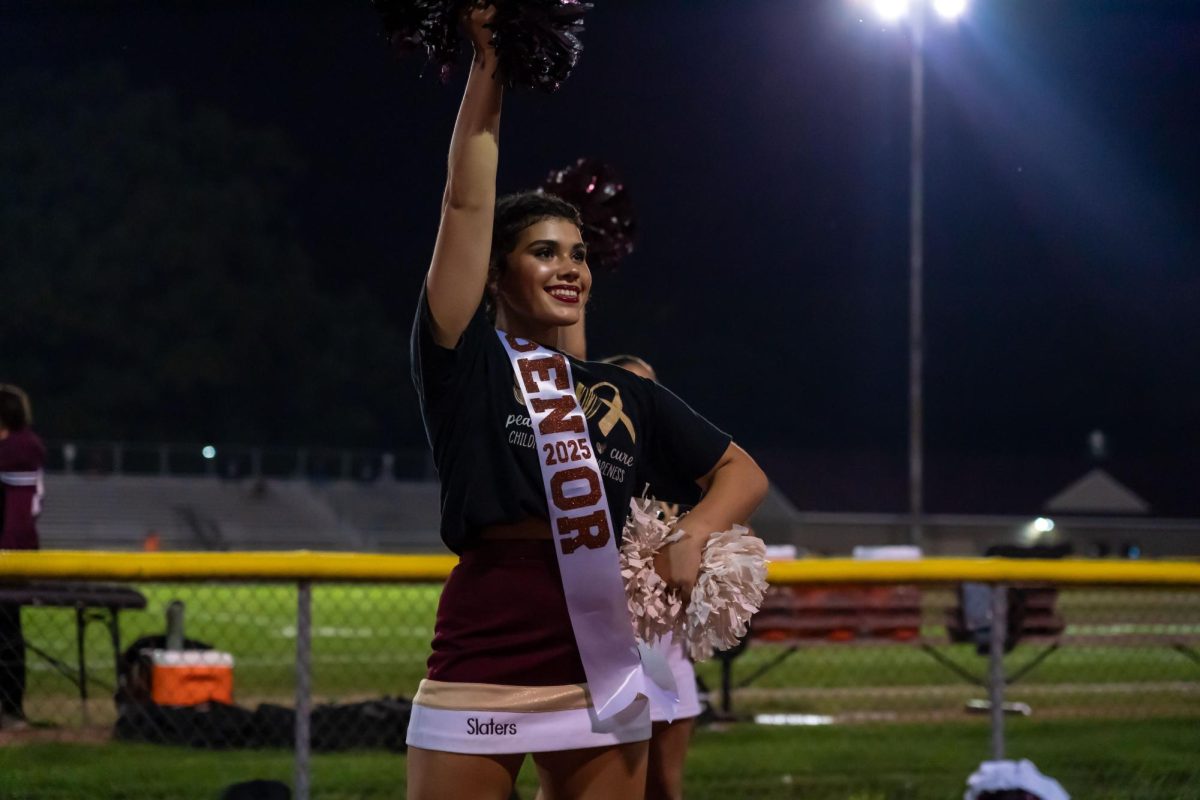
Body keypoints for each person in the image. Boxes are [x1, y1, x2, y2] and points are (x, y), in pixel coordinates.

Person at [405, 7, 769, 799]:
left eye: (578, 255)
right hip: (484, 656)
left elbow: (741, 471)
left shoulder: (625, 390)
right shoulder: (465, 364)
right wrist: (491, 63)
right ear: (497, 277)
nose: (569, 268)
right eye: (543, 253)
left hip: (599, 664)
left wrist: (696, 532)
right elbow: (467, 204)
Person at [0, 384, 46, 731]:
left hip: (10, 556)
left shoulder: (18, 450)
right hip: (12, 551)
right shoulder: (19, 447)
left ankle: (11, 707)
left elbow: (17, 519)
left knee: (6, 631)